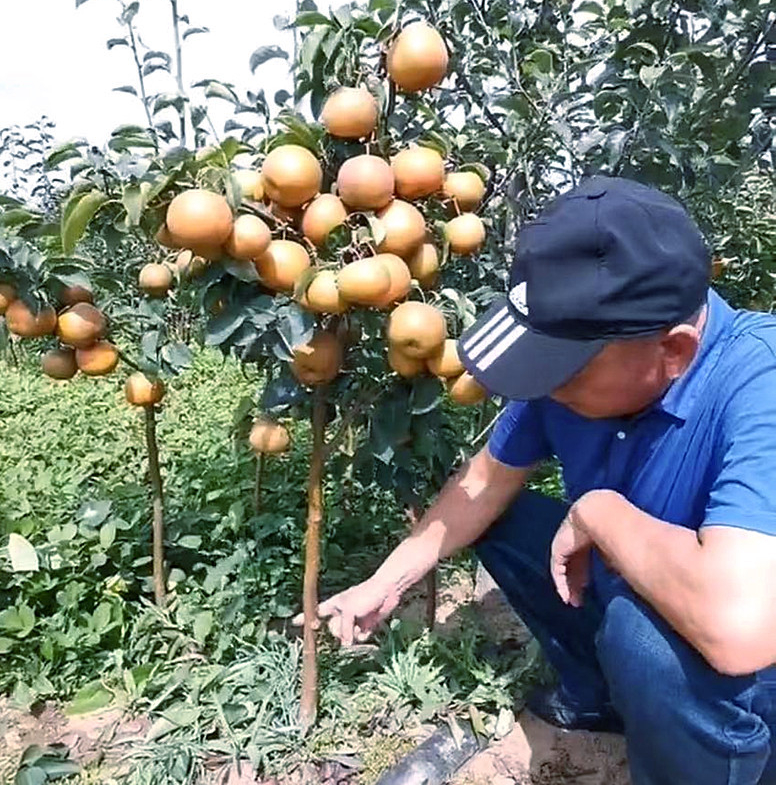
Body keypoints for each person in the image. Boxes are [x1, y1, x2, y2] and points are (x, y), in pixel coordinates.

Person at [306, 176, 776, 784]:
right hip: (651, 586)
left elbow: (738, 629)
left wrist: (599, 513)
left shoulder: (759, 383)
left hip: (748, 657)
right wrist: (386, 580)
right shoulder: (578, 370)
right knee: (504, 521)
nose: (544, 388)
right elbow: (483, 484)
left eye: (564, 371)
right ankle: (599, 697)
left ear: (675, 351)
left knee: (644, 638)